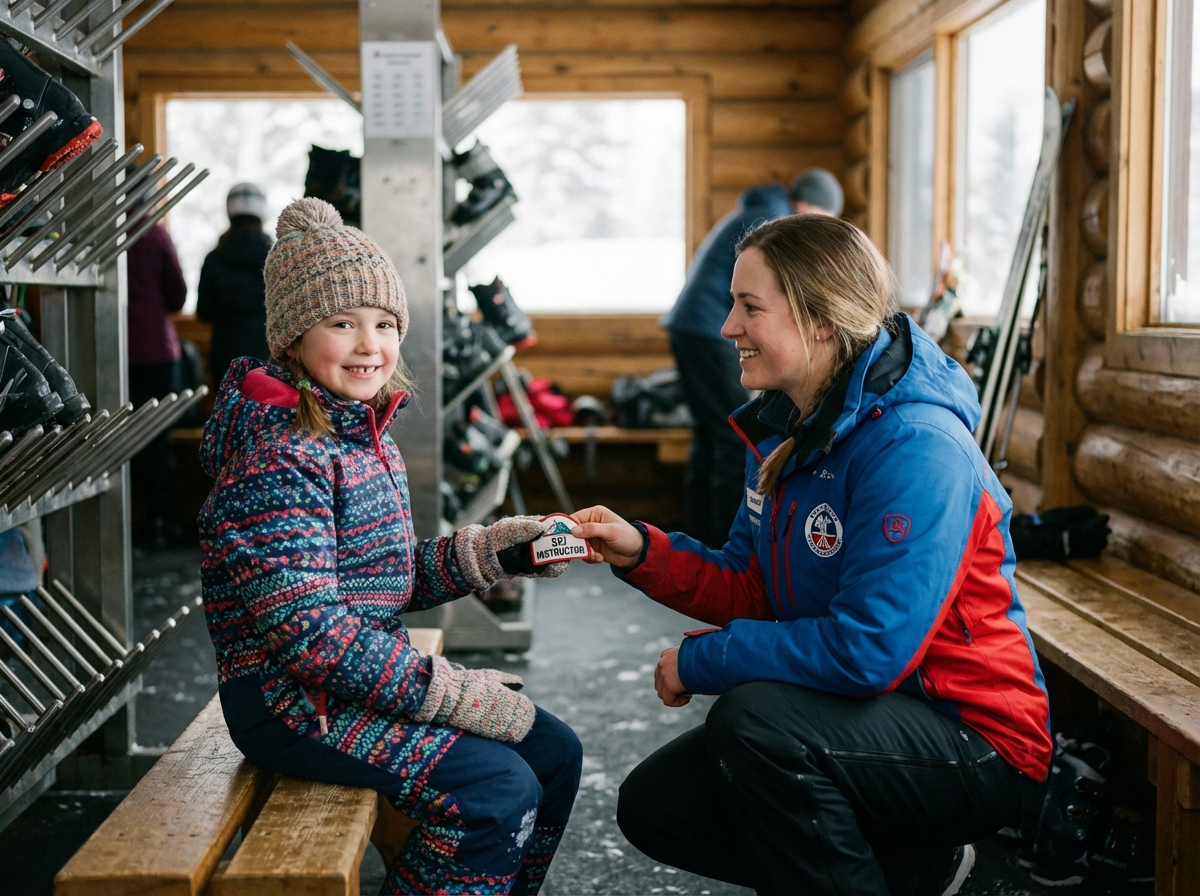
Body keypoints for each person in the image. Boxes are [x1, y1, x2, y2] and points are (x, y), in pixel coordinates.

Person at [573, 215, 1050, 896]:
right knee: (659, 806)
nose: (727, 328)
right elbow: (751, 586)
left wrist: (702, 660)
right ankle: (913, 871)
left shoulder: (916, 446)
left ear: (821, 321)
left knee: (756, 724)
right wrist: (640, 551)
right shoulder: (787, 428)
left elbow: (867, 650)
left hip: (972, 739)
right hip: (866, 717)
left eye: (750, 307)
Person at [198, 198, 582, 895]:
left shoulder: (361, 435)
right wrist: (449, 694)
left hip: (352, 678)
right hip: (291, 702)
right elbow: (311, 634)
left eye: (383, 323)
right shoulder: (280, 457)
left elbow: (385, 577)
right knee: (495, 791)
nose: (369, 344)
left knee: (554, 753)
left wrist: (495, 553)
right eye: (342, 323)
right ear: (292, 338)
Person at [662, 169, 844, 547]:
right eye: (820, 221)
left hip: (690, 325)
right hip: (708, 328)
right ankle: (722, 544)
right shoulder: (776, 228)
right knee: (733, 436)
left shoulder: (758, 213)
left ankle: (696, 537)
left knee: (710, 436)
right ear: (808, 207)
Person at [126, 209, 187, 549]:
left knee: (121, 441)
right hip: (157, 352)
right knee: (159, 442)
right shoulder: (156, 233)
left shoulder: (101, 231)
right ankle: (163, 523)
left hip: (115, 351)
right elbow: (177, 296)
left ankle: (128, 524)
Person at [197, 182, 273, 383]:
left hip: (225, 354)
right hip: (267, 353)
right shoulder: (276, 257)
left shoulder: (215, 257)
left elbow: (204, 310)